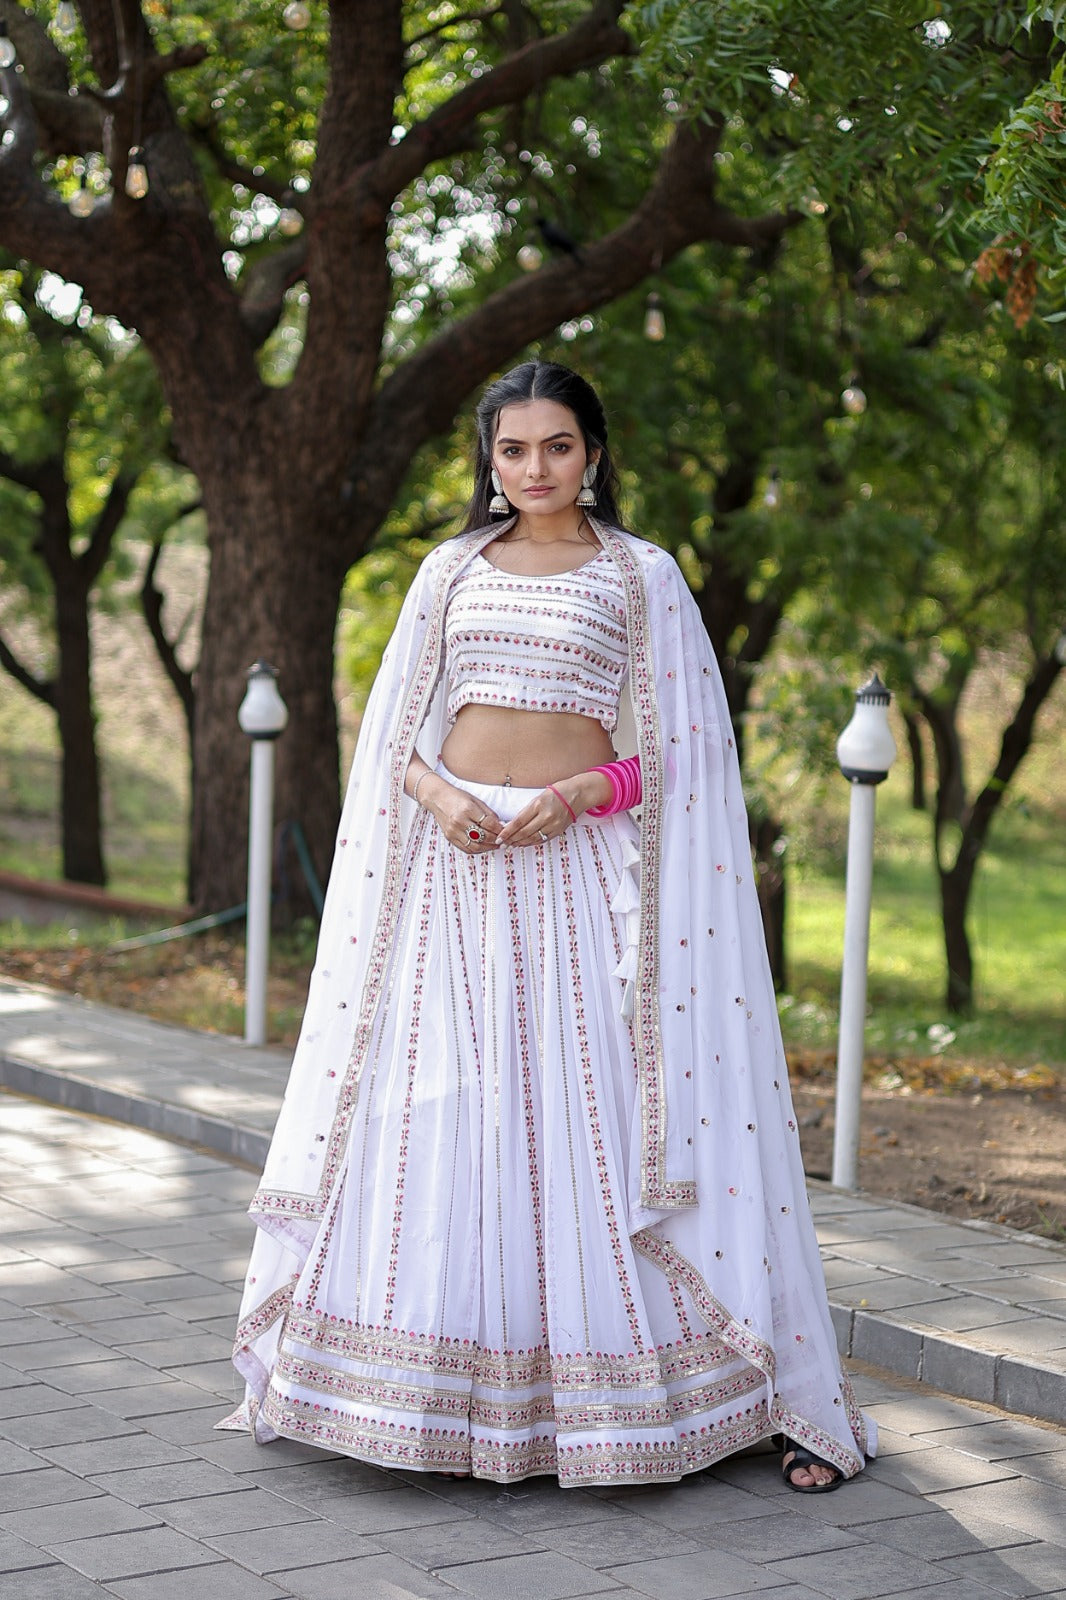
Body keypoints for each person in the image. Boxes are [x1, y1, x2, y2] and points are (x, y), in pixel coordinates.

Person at [222, 360, 872, 1492]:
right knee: (453, 1108)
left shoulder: (640, 575)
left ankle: (688, 1391)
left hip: (579, 869)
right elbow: (394, 734)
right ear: (488, 459)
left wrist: (581, 796)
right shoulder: (449, 569)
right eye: (512, 450)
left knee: (583, 1109)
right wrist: (441, 799)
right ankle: (429, 1393)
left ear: (594, 452)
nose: (534, 469)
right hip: (454, 870)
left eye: (557, 446)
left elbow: (681, 753)